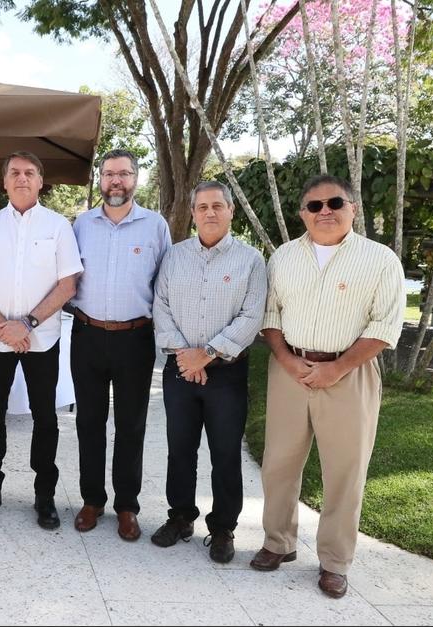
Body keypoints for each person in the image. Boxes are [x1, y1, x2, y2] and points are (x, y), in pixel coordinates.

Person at [250, 175, 405, 598]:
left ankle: (335, 562)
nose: (325, 212)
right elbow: (270, 315)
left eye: (335, 202)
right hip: (290, 371)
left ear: (352, 208)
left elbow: (385, 324)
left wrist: (337, 368)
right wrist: (285, 360)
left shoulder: (380, 259)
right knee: (278, 464)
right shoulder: (283, 257)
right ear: (302, 214)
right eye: (314, 206)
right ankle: (277, 543)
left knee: (345, 472)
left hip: (350, 374)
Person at [0, 151, 83, 529]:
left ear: (41, 182)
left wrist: (26, 324)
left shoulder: (58, 226)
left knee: (45, 419)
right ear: (4, 182)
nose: (22, 178)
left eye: (30, 172)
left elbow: (68, 284)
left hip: (40, 340)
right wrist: (3, 326)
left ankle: (44, 496)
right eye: (14, 172)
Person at [152, 181, 267, 562]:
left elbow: (252, 316)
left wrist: (209, 354)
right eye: (202, 207)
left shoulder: (251, 260)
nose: (210, 213)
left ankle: (223, 529)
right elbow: (161, 306)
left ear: (231, 211)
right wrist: (186, 356)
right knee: (180, 450)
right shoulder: (174, 256)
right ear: (194, 212)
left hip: (227, 374)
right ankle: (181, 517)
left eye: (217, 206)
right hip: (180, 369)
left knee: (225, 453)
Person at [68, 149, 171, 541]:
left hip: (136, 338)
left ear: (135, 180)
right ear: (100, 180)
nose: (116, 181)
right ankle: (92, 500)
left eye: (124, 174)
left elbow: (164, 285)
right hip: (88, 335)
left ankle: (127, 505)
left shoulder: (155, 226)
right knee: (89, 422)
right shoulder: (81, 224)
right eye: (109, 174)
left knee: (131, 425)